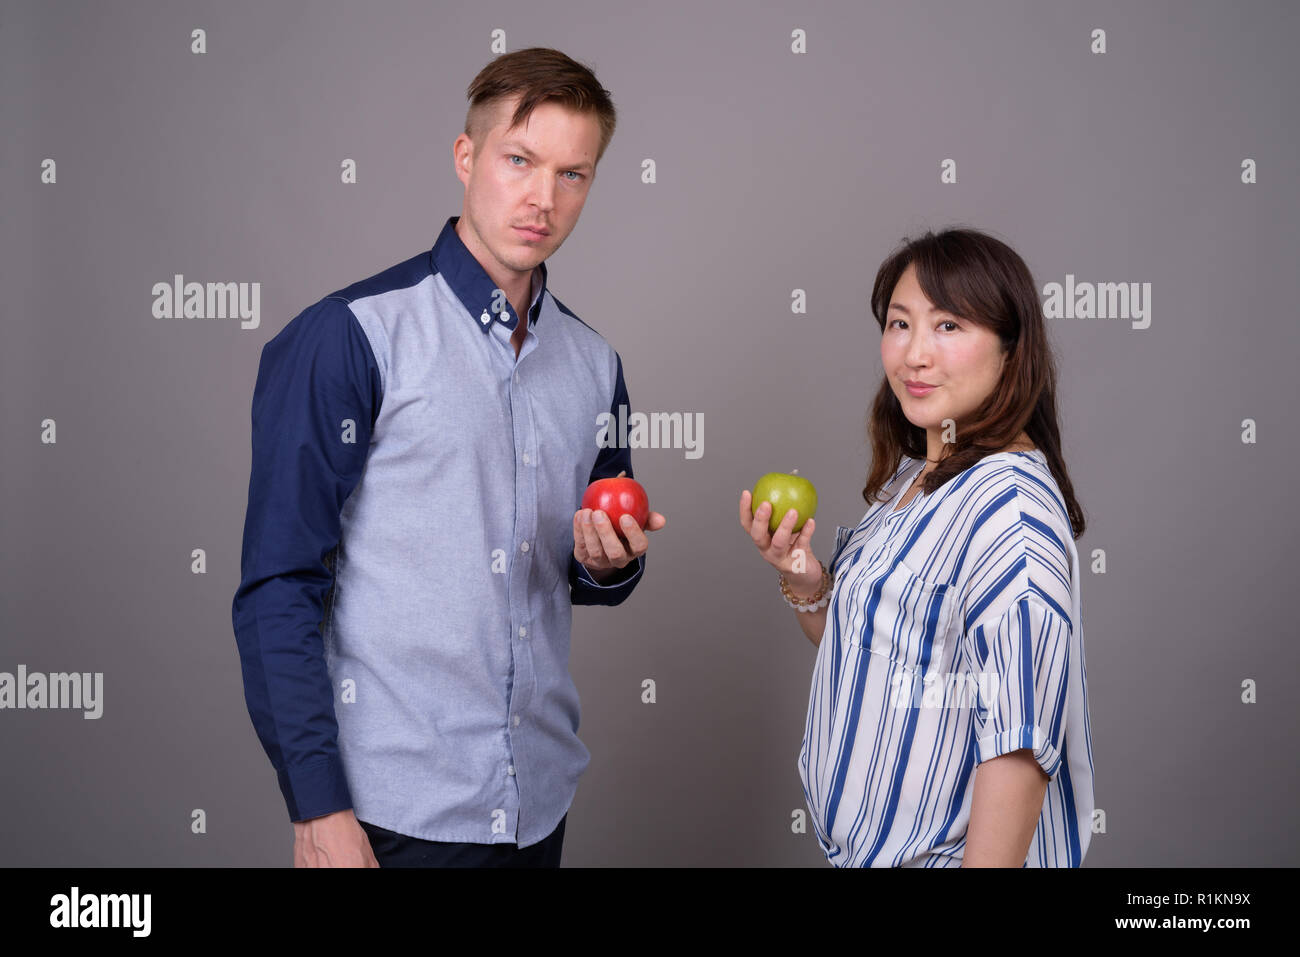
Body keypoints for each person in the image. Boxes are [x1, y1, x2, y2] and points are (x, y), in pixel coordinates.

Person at [231, 47, 665, 868]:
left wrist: (609, 564)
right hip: (390, 815)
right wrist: (317, 804)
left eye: (573, 174)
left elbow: (585, 566)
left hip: (536, 806)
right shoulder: (350, 336)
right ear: (466, 158)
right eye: (519, 160)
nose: (543, 197)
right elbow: (276, 587)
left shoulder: (594, 364)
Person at [741, 229, 1094, 867]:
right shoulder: (917, 477)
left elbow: (1018, 749)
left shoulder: (1008, 514)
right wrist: (802, 575)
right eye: (901, 324)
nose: (915, 355)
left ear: (1012, 352)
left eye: (950, 326)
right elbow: (874, 646)